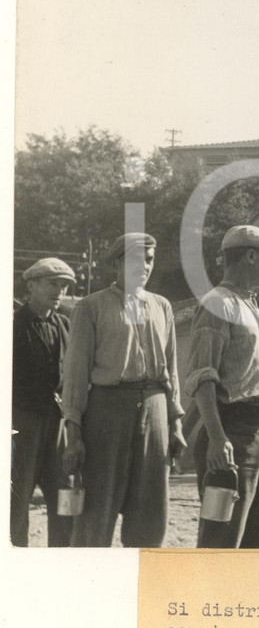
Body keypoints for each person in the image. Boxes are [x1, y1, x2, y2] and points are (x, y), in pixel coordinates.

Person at [61, 233, 186, 547]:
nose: (143, 266)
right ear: (116, 264)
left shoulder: (163, 307)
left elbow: (171, 370)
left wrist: (176, 422)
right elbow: (75, 374)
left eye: (149, 259)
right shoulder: (92, 307)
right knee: (96, 510)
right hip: (107, 412)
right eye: (135, 259)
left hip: (156, 411)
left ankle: (139, 582)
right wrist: (73, 433)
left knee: (151, 512)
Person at [187, 225, 259, 549]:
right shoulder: (219, 303)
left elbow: (257, 376)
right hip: (233, 435)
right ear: (249, 255)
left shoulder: (248, 304)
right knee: (222, 542)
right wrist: (217, 438)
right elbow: (203, 376)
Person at [11, 258, 76, 547]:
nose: (59, 291)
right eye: (52, 284)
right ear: (31, 285)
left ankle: (60, 561)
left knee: (64, 496)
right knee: (17, 497)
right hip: (21, 422)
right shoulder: (13, 324)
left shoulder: (64, 323)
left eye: (63, 286)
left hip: (57, 423)